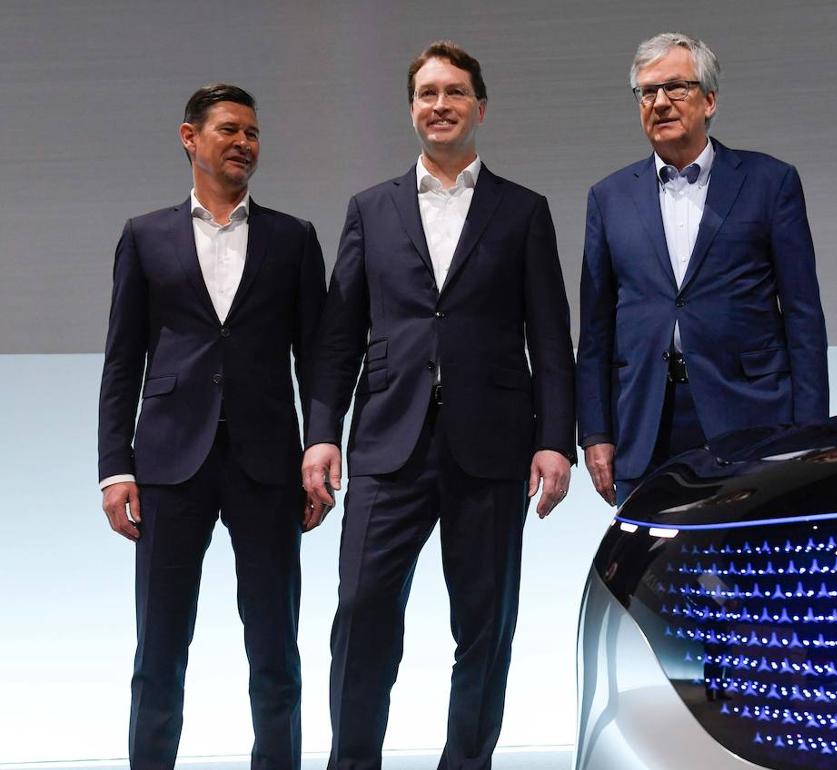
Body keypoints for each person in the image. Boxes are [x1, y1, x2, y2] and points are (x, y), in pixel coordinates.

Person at [301, 41, 576, 769]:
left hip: (493, 445)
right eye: (427, 93)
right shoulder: (370, 209)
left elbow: (551, 338)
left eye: (455, 92)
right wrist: (321, 432)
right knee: (361, 612)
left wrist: (556, 439)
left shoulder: (523, 211)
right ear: (412, 108)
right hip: (387, 442)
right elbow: (339, 336)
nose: (441, 104)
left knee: (485, 626)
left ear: (479, 107)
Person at [97, 83, 326, 769]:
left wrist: (319, 451)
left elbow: (316, 361)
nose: (243, 143)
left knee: (275, 649)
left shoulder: (293, 238)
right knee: (160, 650)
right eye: (229, 129)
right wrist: (115, 467)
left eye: (252, 132)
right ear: (189, 137)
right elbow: (122, 360)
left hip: (269, 464)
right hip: (169, 464)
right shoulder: (144, 236)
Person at [577, 32, 830, 505]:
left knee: (750, 550)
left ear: (709, 100)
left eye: (676, 87)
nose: (660, 102)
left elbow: (803, 315)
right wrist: (595, 432)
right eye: (647, 92)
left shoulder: (770, 182)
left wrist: (812, 432)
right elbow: (595, 331)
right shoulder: (608, 198)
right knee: (649, 550)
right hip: (644, 421)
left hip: (751, 418)